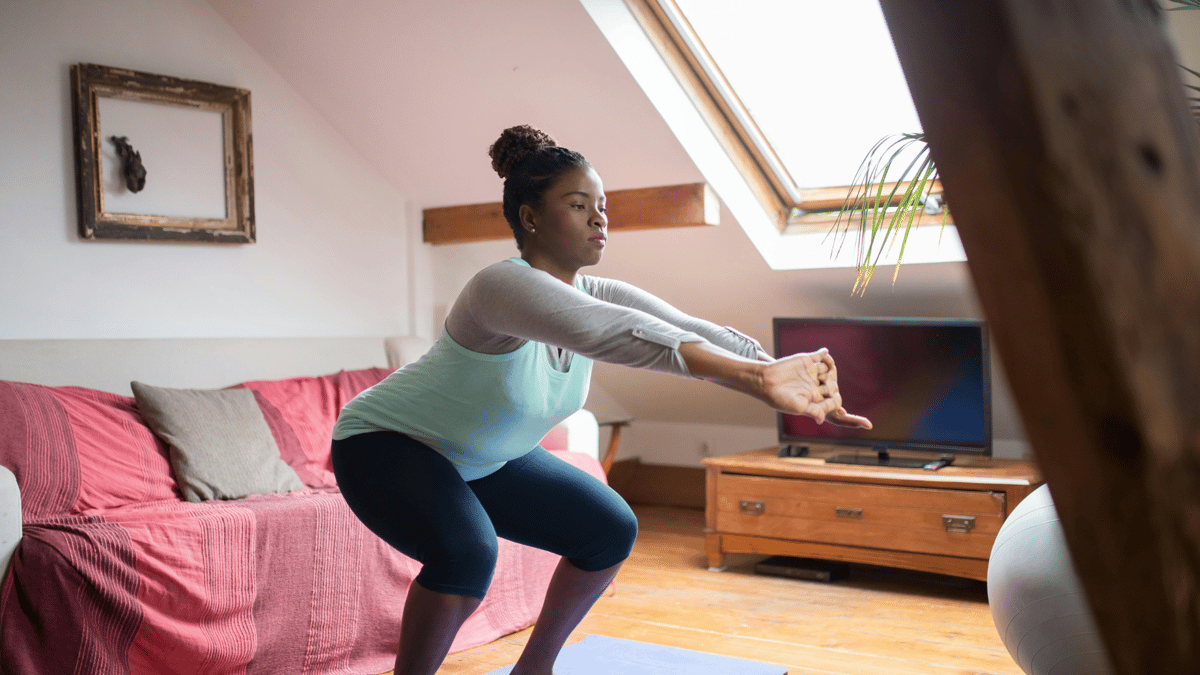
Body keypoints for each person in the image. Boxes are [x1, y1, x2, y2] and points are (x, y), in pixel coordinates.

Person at [330, 124, 872, 675]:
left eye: (603, 205)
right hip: (384, 445)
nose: (599, 218)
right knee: (467, 553)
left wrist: (778, 371)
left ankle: (533, 670)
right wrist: (758, 381)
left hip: (478, 456)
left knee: (608, 529)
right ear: (530, 218)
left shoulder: (595, 292)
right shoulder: (498, 289)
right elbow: (619, 332)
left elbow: (693, 331)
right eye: (578, 204)